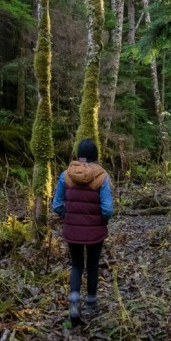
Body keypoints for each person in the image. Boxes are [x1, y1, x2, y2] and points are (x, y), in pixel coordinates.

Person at [52, 139, 113, 326]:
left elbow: (56, 205)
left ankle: (73, 301)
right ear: (96, 157)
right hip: (95, 231)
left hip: (72, 229)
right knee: (93, 265)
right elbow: (107, 209)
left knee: (77, 264)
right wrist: (101, 220)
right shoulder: (102, 177)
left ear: (79, 156)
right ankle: (91, 305)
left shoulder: (65, 175)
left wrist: (67, 215)